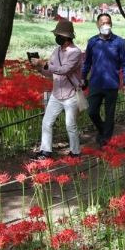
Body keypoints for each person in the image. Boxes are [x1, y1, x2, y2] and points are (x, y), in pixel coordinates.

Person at [32, 19, 83, 159]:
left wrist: (44, 63)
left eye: (58, 34)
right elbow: (51, 72)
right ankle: (45, 151)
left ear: (66, 36)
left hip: (70, 94)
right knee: (47, 122)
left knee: (70, 125)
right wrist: (40, 68)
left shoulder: (75, 52)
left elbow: (64, 70)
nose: (56, 37)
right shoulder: (56, 51)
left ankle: (75, 152)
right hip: (56, 93)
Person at [82, 13, 125, 147]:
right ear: (97, 24)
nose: (105, 25)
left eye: (108, 22)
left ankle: (106, 140)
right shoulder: (92, 42)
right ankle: (103, 130)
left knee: (110, 114)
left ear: (111, 24)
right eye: (102, 23)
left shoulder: (119, 42)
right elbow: (86, 62)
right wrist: (83, 77)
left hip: (112, 84)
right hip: (95, 83)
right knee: (92, 111)